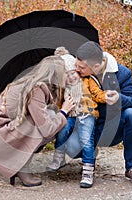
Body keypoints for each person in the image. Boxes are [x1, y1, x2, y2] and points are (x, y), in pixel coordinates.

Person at [0, 53, 75, 187]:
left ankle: (9, 161)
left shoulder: (34, 84)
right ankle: (21, 168)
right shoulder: (36, 90)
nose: (67, 76)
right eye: (65, 73)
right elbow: (47, 129)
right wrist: (64, 111)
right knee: (43, 123)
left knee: (49, 115)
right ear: (56, 75)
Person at [64, 41, 132, 184]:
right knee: (71, 148)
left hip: (109, 128)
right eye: (76, 65)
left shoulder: (122, 74)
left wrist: (119, 99)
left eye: (81, 67)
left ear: (95, 66)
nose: (77, 69)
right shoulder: (77, 75)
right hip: (84, 126)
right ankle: (90, 154)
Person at [46, 47, 108, 188]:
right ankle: (59, 157)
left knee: (86, 139)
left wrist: (107, 97)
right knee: (62, 130)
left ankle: (87, 171)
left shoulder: (87, 81)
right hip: (71, 115)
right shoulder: (62, 89)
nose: (71, 77)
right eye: (66, 75)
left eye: (73, 73)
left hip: (88, 114)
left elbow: (98, 94)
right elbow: (58, 104)